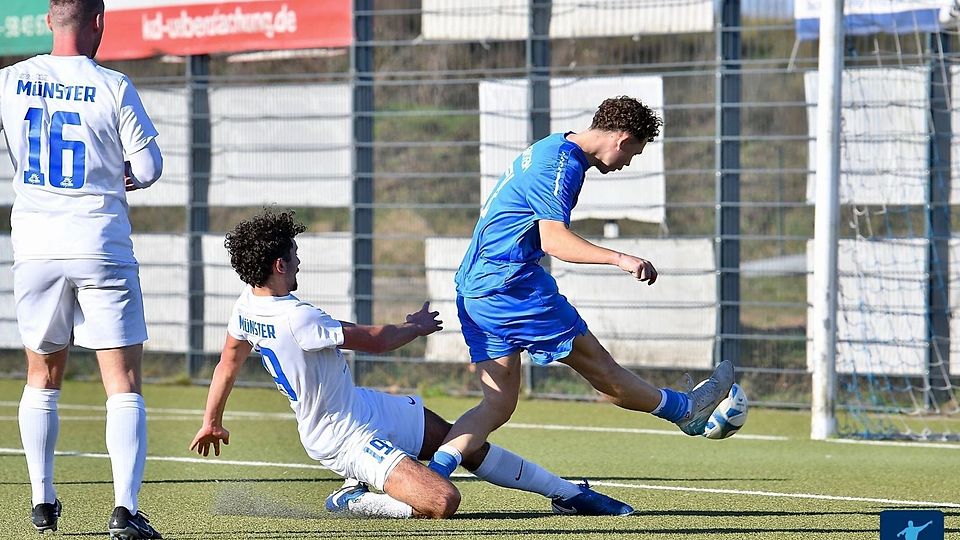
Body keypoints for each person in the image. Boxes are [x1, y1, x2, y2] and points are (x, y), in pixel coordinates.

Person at [189, 210, 633, 519]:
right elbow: (374, 342)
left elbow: (229, 360)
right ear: (280, 263)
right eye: (296, 255)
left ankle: (569, 494)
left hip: (358, 406)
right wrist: (415, 327)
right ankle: (353, 500)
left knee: (462, 442)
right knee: (441, 501)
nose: (300, 260)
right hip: (341, 437)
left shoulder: (247, 305)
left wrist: (211, 419)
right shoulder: (296, 315)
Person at [426, 96, 735, 478]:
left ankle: (432, 478)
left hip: (475, 289)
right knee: (603, 372)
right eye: (633, 155)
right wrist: (621, 259)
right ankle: (687, 410)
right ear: (622, 139)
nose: (626, 164)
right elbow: (555, 241)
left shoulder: (551, 146)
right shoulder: (562, 166)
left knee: (497, 405)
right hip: (511, 288)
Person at [0, 0, 164, 537]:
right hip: (99, 242)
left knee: (42, 376)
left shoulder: (12, 80)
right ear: (99, 23)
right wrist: (121, 174)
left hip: (36, 248)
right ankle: (123, 511)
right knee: (122, 382)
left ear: (49, 21)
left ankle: (42, 504)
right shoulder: (114, 86)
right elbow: (149, 168)